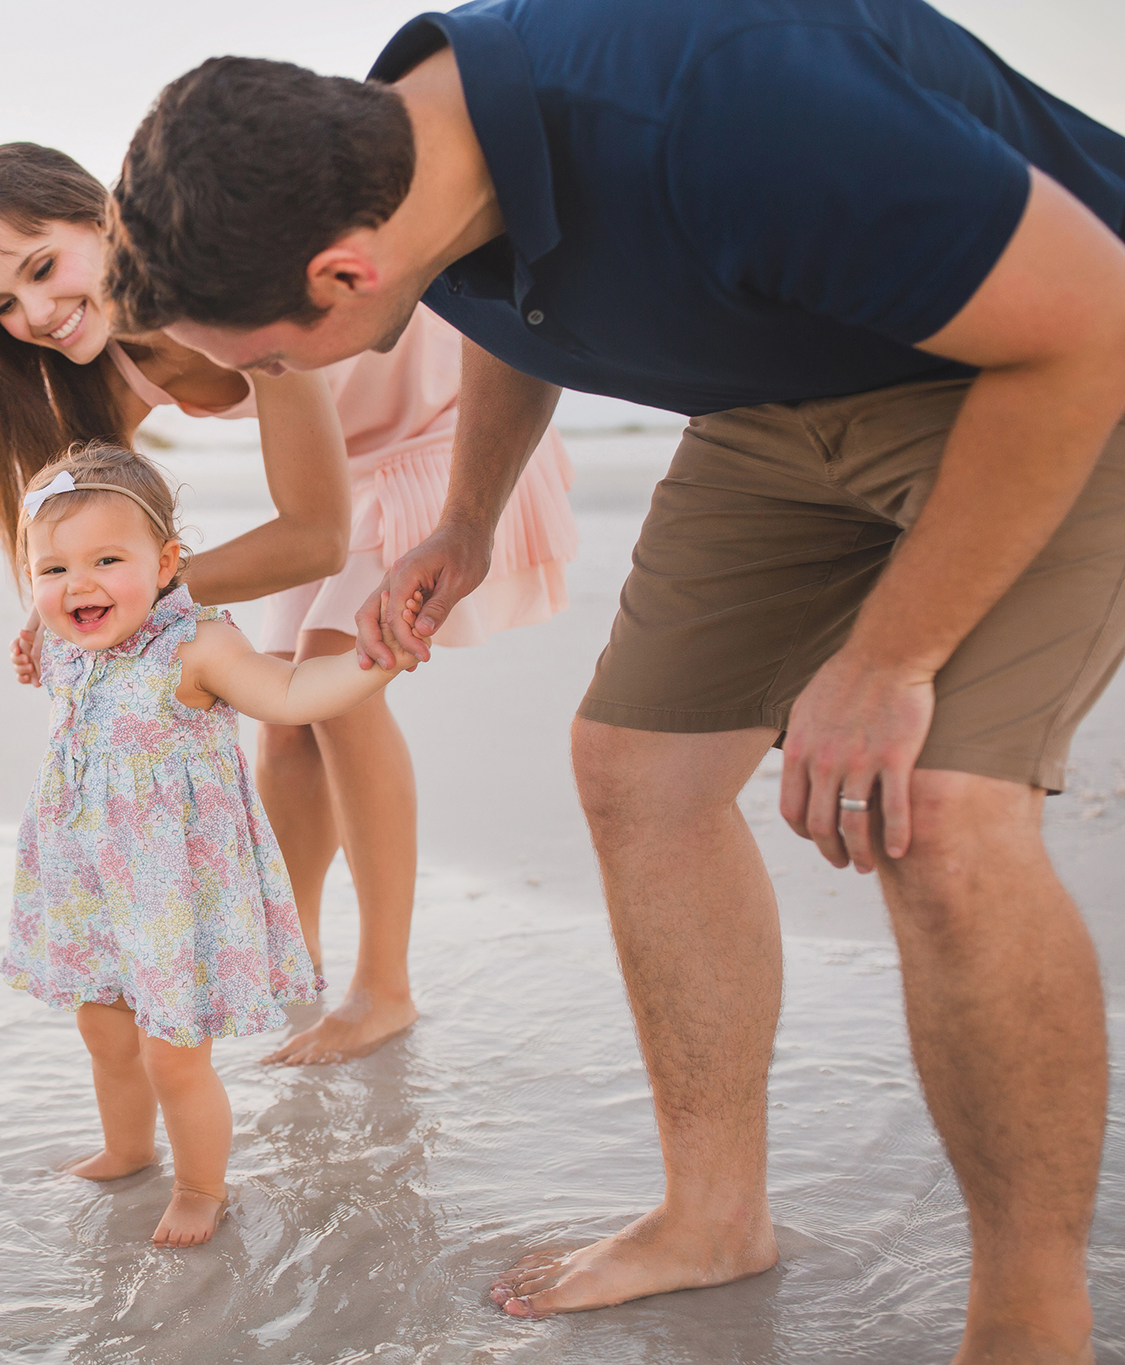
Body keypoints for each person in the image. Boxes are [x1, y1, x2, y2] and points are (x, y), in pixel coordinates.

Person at [105, 0, 1125, 1358]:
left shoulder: (732, 107)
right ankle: (713, 1216)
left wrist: (888, 661)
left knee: (937, 813)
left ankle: (1029, 1313)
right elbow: (507, 304)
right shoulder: (394, 158)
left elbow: (1090, 321)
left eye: (268, 362)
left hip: (1047, 367)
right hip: (775, 402)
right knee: (637, 771)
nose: (270, 387)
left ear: (346, 276)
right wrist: (466, 520)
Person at [0, 142, 576, 1065]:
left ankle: (384, 987)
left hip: (451, 438)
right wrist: (57, 607)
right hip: (353, 474)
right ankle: (298, 958)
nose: (34, 312)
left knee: (335, 692)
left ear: (106, 215)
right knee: (277, 722)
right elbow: (83, 528)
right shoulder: (112, 367)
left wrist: (153, 589)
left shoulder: (230, 288)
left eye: (42, 267)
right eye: (3, 304)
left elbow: (311, 537)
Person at [0, 442, 403, 1245]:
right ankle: (126, 1146)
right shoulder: (63, 645)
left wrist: (371, 665)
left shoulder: (196, 647)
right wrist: (35, 637)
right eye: (52, 570)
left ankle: (200, 1185)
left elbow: (290, 694)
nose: (77, 584)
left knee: (174, 1055)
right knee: (103, 1031)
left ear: (166, 563)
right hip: (91, 886)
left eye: (107, 559)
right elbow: (56, 668)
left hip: (173, 894)